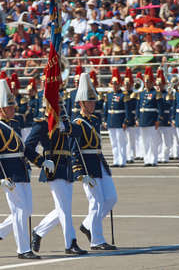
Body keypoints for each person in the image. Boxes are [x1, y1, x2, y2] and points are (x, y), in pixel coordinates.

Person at [0, 79, 43, 260]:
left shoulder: (14, 124)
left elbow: (23, 149)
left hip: (22, 172)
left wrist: (41, 161)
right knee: (19, 211)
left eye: (12, 106)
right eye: (8, 107)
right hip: (9, 175)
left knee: (26, 211)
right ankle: (23, 249)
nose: (12, 109)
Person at [25, 99, 87, 255]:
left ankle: (39, 231)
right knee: (64, 208)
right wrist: (41, 161)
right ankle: (70, 243)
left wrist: (66, 126)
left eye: (61, 105)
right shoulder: (41, 124)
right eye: (56, 105)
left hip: (66, 168)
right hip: (53, 167)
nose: (60, 107)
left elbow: (79, 132)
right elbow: (27, 147)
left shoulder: (65, 122)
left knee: (63, 207)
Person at [72, 73, 117, 250]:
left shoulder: (95, 120)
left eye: (93, 101)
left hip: (99, 162)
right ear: (82, 103)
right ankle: (97, 240)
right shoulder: (77, 123)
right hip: (87, 165)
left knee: (111, 198)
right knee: (96, 202)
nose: (93, 104)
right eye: (90, 102)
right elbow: (74, 150)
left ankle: (87, 224)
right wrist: (80, 173)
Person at [135, 66, 163, 167]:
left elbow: (160, 108)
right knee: (145, 141)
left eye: (149, 82)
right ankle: (147, 159)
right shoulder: (141, 93)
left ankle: (153, 160)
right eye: (146, 82)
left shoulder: (156, 93)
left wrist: (158, 119)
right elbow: (138, 107)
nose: (147, 84)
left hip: (152, 119)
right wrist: (137, 118)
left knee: (152, 141)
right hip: (143, 119)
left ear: (152, 83)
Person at [103, 68, 127, 167]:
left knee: (121, 142)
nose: (114, 86)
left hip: (119, 121)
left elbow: (126, 110)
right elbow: (106, 109)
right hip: (111, 121)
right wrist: (105, 120)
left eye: (116, 84)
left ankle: (122, 161)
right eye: (113, 84)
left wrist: (125, 121)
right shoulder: (109, 95)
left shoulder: (123, 95)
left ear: (119, 84)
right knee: (114, 143)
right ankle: (116, 160)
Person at [123, 68, 137, 164]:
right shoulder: (122, 94)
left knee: (131, 139)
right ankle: (125, 156)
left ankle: (131, 156)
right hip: (121, 118)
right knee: (124, 140)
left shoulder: (134, 94)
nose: (127, 86)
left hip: (131, 118)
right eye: (125, 84)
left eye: (128, 84)